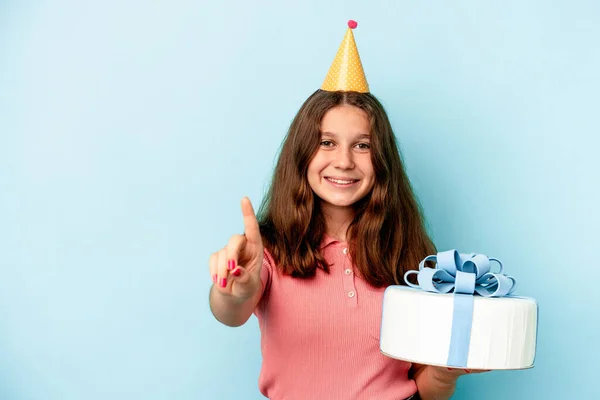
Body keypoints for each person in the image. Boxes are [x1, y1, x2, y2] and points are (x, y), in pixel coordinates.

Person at [208, 20, 479, 400]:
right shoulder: (268, 251)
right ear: (302, 153)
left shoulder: (410, 251)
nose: (344, 162)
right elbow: (230, 312)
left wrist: (446, 372)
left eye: (362, 146)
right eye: (327, 143)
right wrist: (235, 291)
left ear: (381, 159)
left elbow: (428, 389)